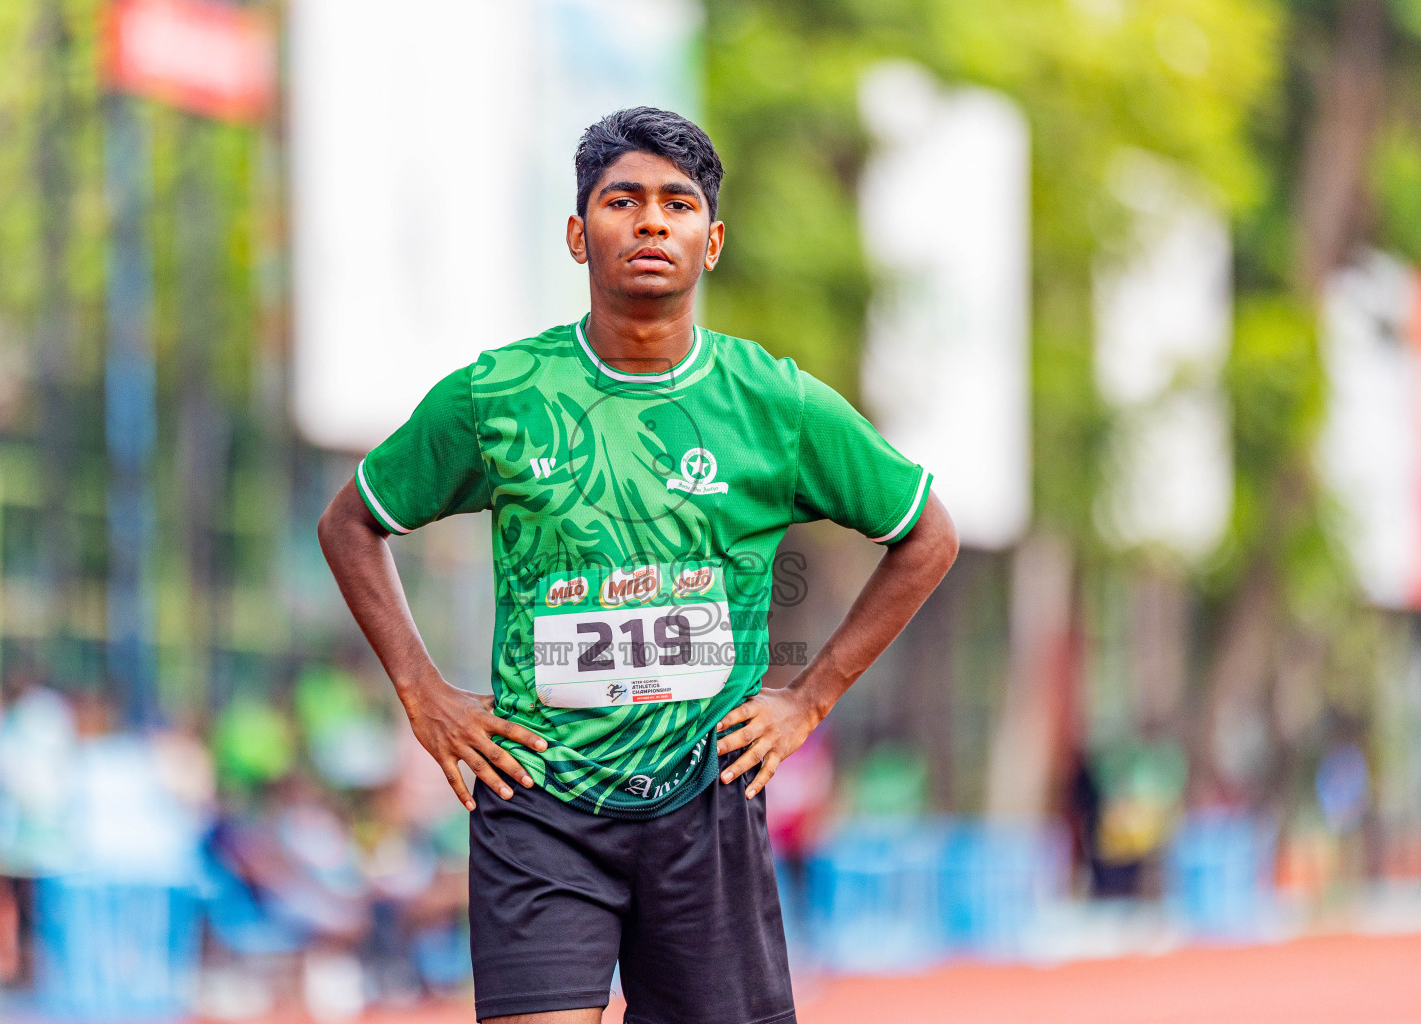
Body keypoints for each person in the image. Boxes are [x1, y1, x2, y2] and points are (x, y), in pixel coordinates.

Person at [319, 107, 959, 1024]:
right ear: (579, 236)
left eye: (677, 204)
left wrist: (809, 699)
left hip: (708, 795)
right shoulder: (500, 395)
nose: (652, 221)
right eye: (623, 201)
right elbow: (351, 523)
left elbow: (927, 535)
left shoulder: (773, 405)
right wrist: (422, 694)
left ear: (712, 241)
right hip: (538, 796)